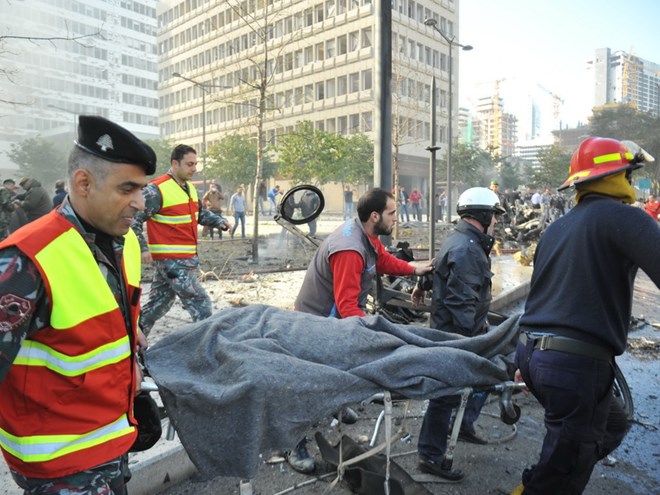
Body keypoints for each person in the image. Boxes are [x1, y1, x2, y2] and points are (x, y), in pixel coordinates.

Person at [0, 115, 155, 495]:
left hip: (111, 441)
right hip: (60, 466)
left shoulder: (126, 242)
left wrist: (128, 344)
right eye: (128, 188)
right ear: (83, 183)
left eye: (143, 189)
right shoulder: (25, 260)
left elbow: (95, 319)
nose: (140, 202)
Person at [512, 137, 660, 495]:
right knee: (567, 467)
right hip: (572, 366)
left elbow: (540, 295)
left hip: (532, 355)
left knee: (611, 424)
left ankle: (546, 478)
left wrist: (531, 360)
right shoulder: (626, 217)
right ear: (619, 175)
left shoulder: (558, 227)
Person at [290, 188, 433, 473]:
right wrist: (377, 334)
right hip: (317, 323)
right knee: (307, 386)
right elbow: (345, 306)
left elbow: (381, 260)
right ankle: (292, 444)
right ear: (375, 216)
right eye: (392, 213)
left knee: (341, 369)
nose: (397, 217)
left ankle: (336, 403)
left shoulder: (367, 236)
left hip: (333, 320)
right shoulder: (350, 249)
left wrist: (413, 269)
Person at [414, 187, 505, 482]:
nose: (496, 221)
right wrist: (472, 343)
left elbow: (440, 271)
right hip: (457, 335)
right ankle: (430, 456)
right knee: (447, 394)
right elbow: (460, 302)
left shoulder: (461, 239)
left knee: (487, 374)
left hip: (458, 331)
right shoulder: (467, 248)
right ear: (483, 215)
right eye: (494, 215)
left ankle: (464, 423)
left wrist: (423, 285)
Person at [131, 144, 231, 336]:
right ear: (175, 163)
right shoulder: (156, 190)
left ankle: (133, 342)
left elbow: (199, 214)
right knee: (200, 302)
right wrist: (143, 248)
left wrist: (219, 221)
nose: (194, 168)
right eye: (189, 164)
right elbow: (133, 219)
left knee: (157, 306)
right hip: (172, 262)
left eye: (196, 164)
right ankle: (209, 348)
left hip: (184, 259)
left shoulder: (190, 189)